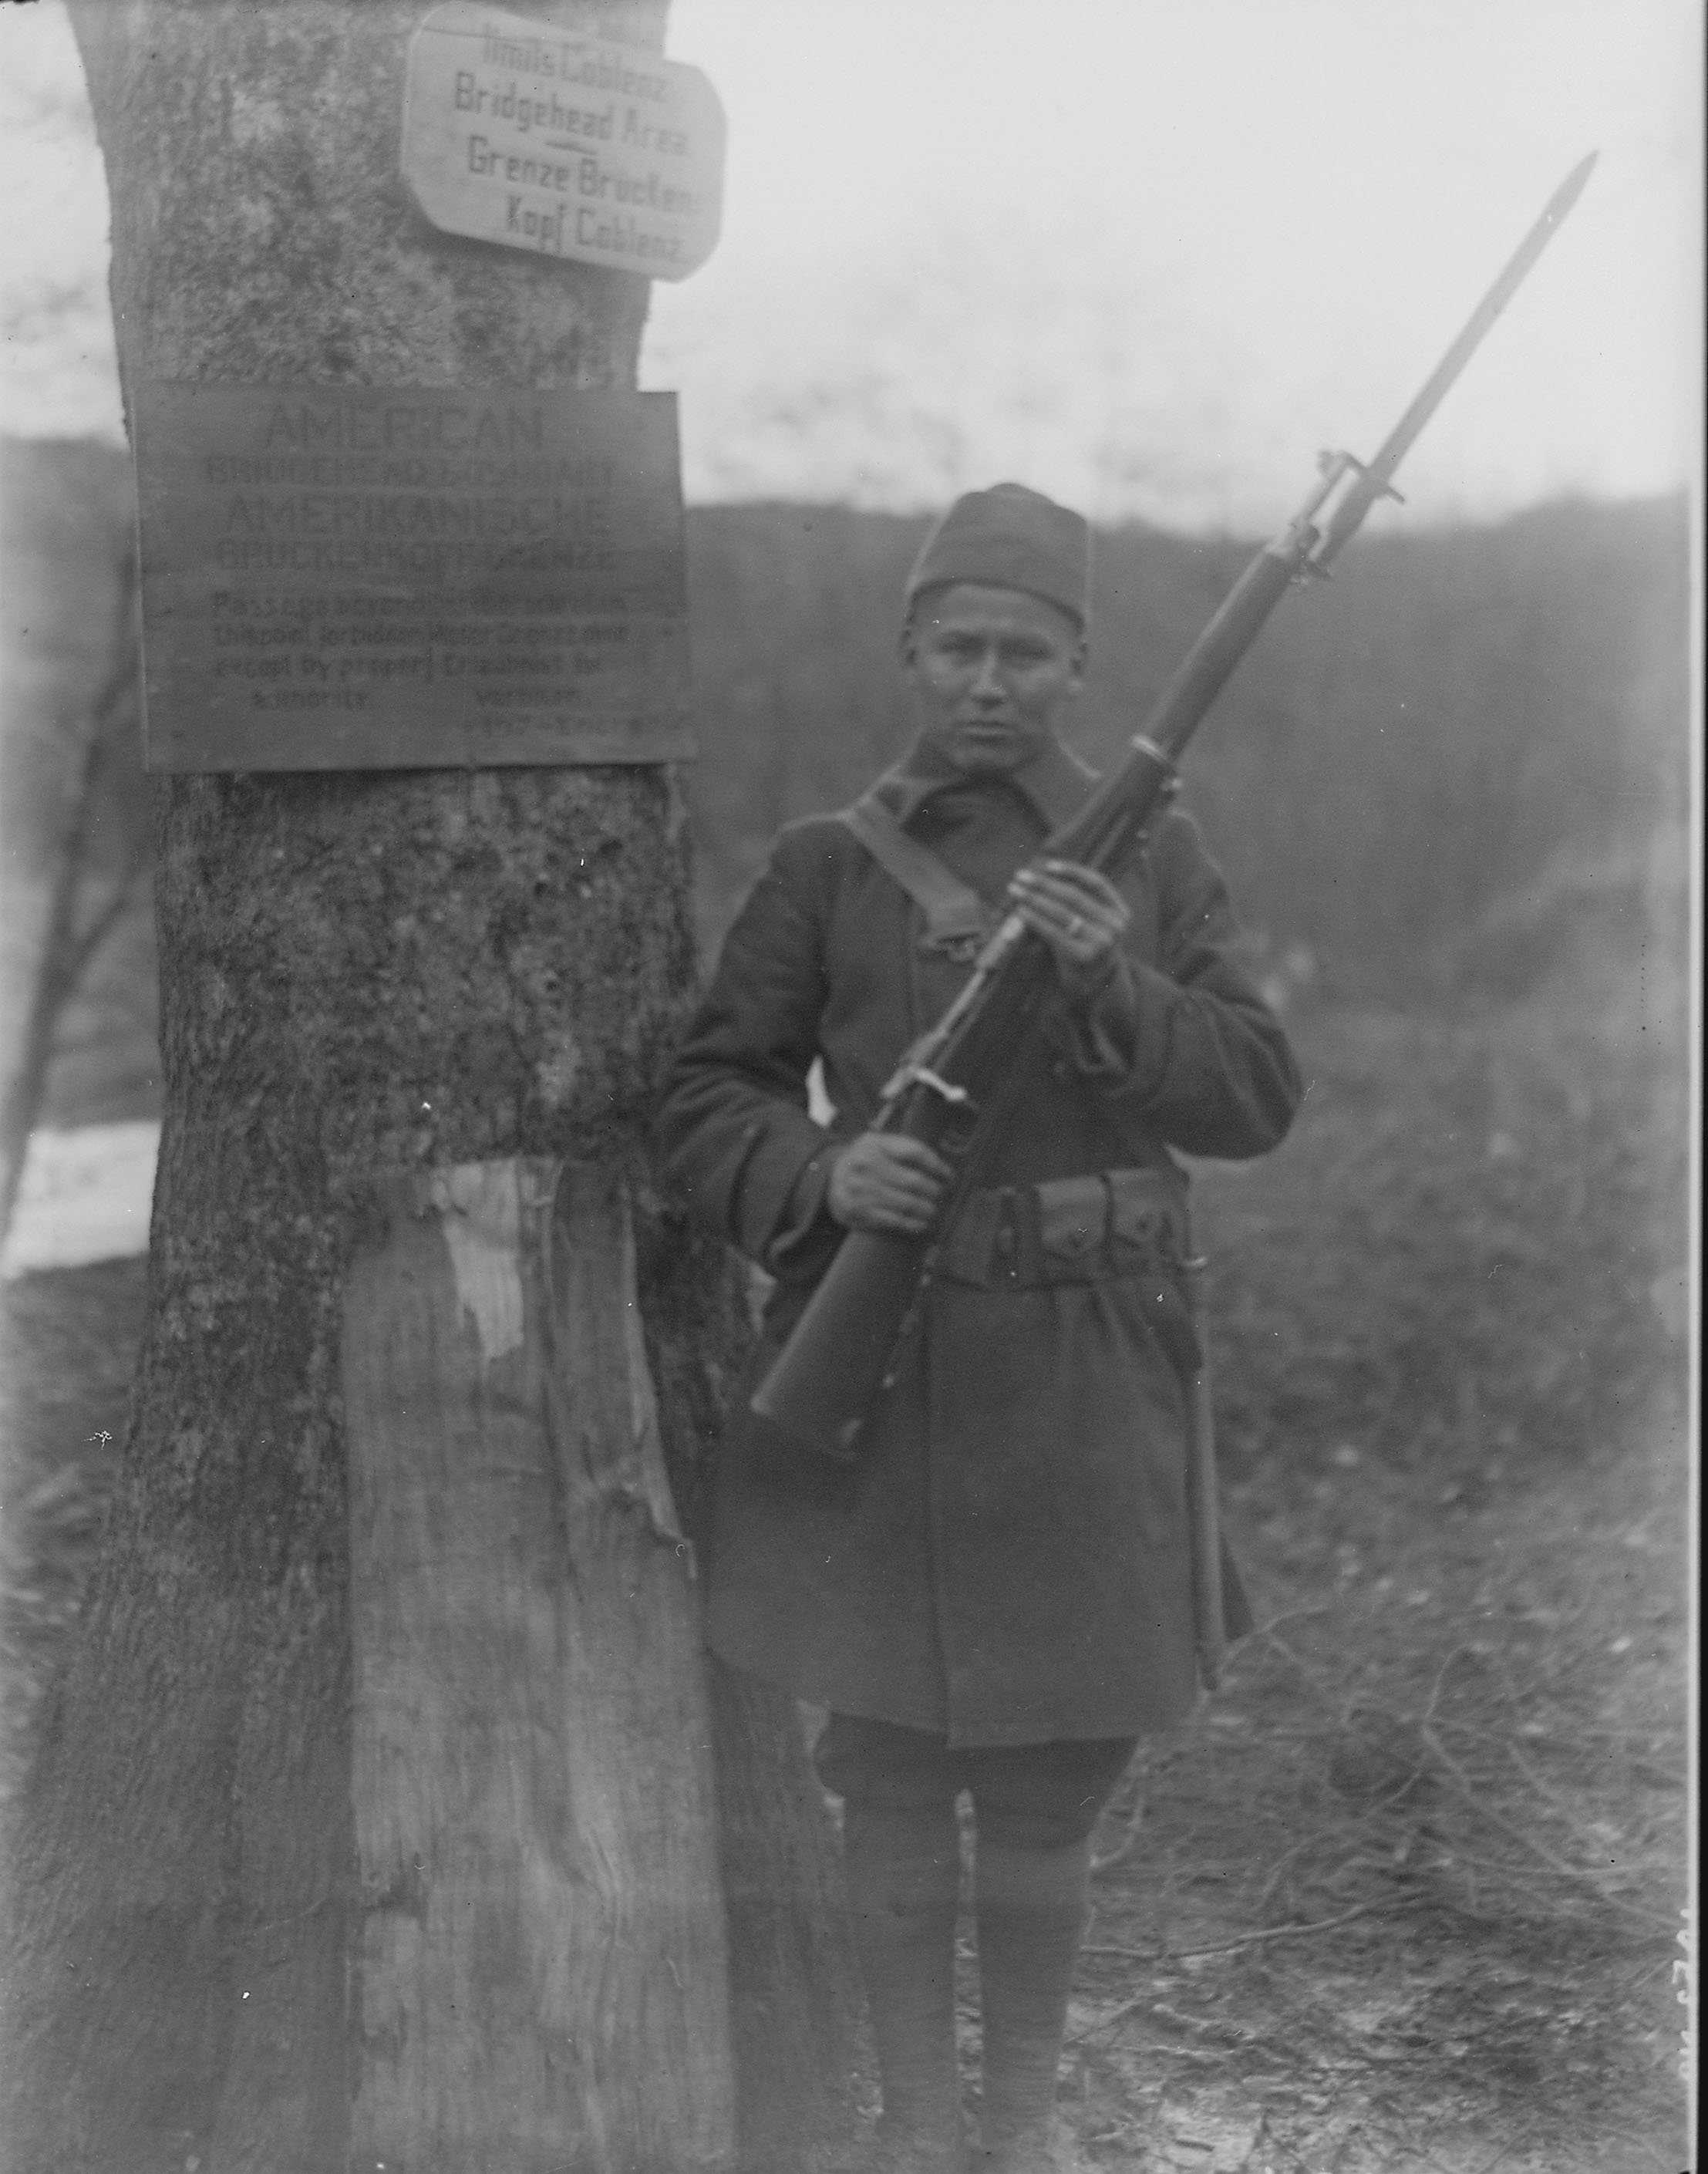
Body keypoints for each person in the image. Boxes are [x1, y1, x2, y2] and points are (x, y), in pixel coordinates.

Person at [655, 483, 1303, 2173]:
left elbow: (1250, 1094)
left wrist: (1115, 987)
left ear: (1079, 668)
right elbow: (706, 1089)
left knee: (1048, 1780)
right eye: (960, 646)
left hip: (1091, 1376)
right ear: (910, 657)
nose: (990, 680)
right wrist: (815, 1174)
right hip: (894, 1364)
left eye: (1025, 650)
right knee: (882, 1762)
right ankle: (914, 2125)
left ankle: (1015, 2131)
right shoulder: (825, 867)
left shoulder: (1153, 858)